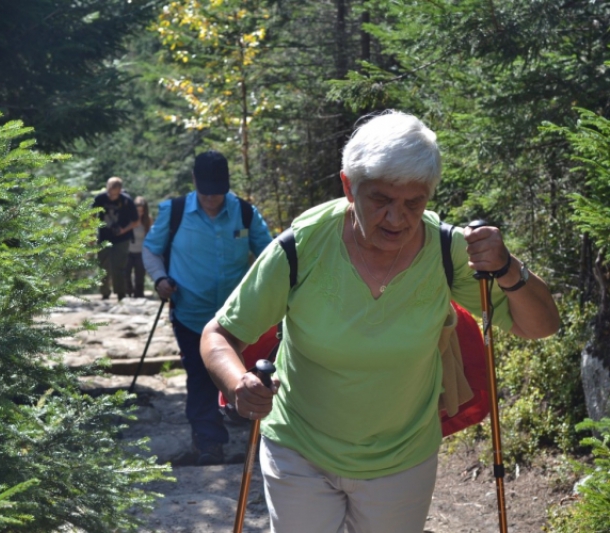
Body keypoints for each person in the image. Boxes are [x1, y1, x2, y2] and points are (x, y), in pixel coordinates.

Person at [200, 111, 560, 532]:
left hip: (402, 459)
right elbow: (219, 335)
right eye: (381, 200)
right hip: (299, 448)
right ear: (349, 186)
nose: (397, 218)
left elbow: (541, 325)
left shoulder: (447, 252)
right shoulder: (303, 247)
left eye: (413, 202)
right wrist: (236, 384)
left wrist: (507, 267)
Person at [142, 150, 273, 465]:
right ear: (194, 183)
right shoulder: (174, 212)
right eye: (206, 192)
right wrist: (160, 279)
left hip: (239, 319)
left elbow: (271, 253)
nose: (213, 199)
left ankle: (251, 437)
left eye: (219, 192)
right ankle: (208, 444)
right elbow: (150, 250)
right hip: (191, 314)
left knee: (246, 372)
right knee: (200, 377)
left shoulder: (243, 212)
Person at [93, 177, 139, 301]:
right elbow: (91, 215)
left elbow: (136, 221)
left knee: (119, 267)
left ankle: (121, 293)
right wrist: (91, 232)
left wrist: (123, 230)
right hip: (104, 236)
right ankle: (105, 292)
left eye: (113, 192)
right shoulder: (100, 198)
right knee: (103, 266)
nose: (110, 194)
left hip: (122, 238)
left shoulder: (127, 201)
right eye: (108, 190)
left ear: (119, 190)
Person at [126, 196, 152, 298]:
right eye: (137, 211)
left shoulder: (148, 220)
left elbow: (150, 237)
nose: (139, 213)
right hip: (128, 251)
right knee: (126, 274)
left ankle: (139, 294)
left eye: (142, 211)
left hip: (141, 252)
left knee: (140, 276)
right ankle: (128, 292)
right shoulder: (128, 218)